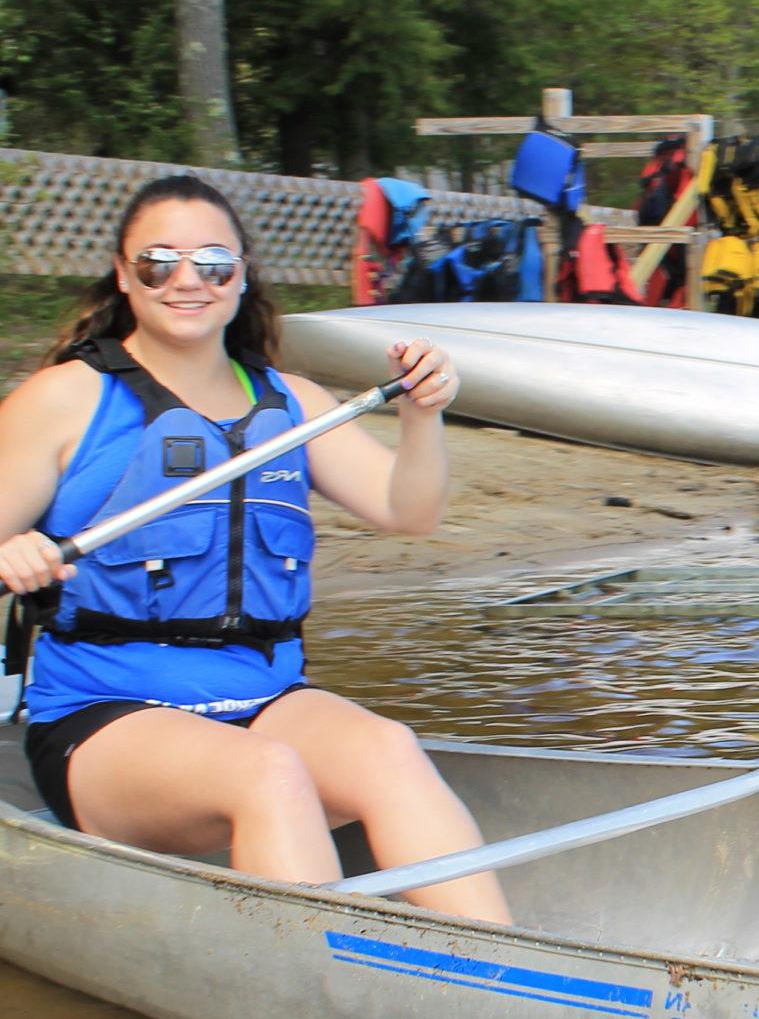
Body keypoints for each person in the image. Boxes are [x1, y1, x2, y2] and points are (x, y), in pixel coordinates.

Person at [0, 174, 510, 924]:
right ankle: (328, 1002)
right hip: (104, 717)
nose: (186, 280)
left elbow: (410, 510)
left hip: (261, 697)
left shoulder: (292, 404)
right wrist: (12, 554)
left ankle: (508, 982)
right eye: (157, 262)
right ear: (122, 273)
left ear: (241, 275)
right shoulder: (67, 397)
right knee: (269, 775)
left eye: (212, 262)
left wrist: (424, 415)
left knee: (388, 748)